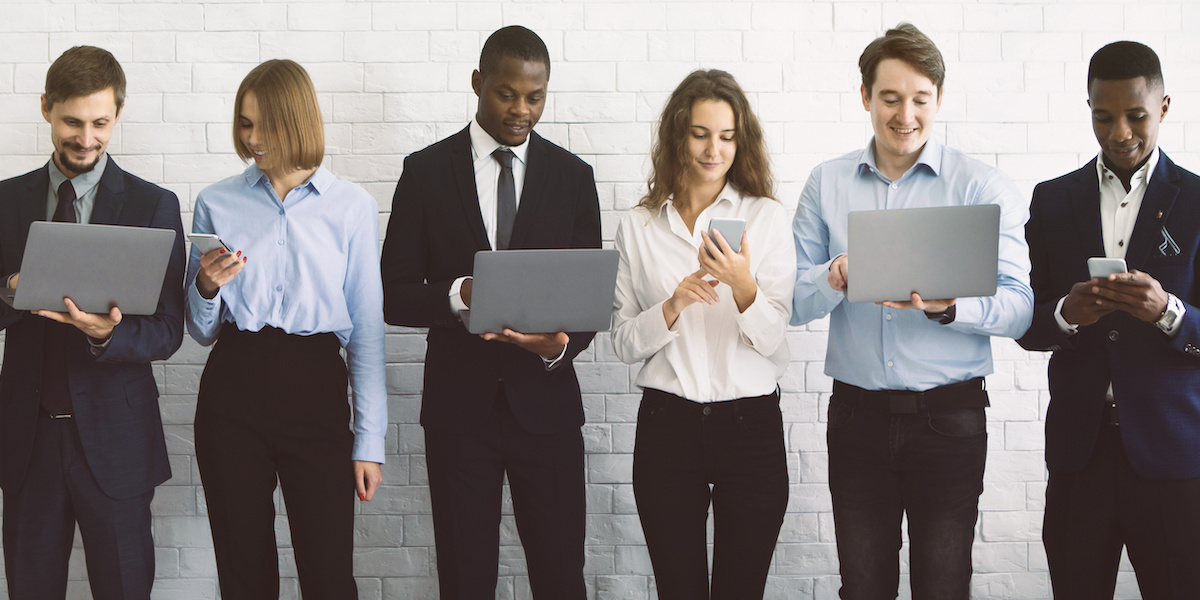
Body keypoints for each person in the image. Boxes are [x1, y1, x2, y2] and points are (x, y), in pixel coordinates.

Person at [790, 23, 1033, 599]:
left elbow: (1020, 309)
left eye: (920, 99)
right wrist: (833, 277)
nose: (905, 115)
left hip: (948, 421)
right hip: (856, 420)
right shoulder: (826, 183)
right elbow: (793, 302)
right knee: (863, 587)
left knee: (943, 587)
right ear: (866, 97)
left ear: (938, 99)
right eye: (890, 98)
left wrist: (952, 307)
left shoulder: (982, 187)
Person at [380, 25, 600, 600]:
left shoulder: (574, 178)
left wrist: (556, 347)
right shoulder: (425, 173)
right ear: (478, 84)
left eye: (535, 97)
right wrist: (458, 294)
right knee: (464, 578)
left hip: (547, 411)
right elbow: (392, 292)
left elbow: (589, 302)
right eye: (507, 94)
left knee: (559, 577)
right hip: (460, 414)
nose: (521, 110)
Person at [184, 59, 385, 599]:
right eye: (244, 124)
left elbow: (366, 331)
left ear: (296, 121)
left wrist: (369, 441)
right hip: (233, 386)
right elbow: (203, 331)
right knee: (243, 577)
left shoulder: (352, 208)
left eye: (263, 125)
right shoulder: (215, 201)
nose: (251, 139)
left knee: (328, 577)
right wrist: (204, 289)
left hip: (315, 386)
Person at [0, 46, 185, 599]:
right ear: (45, 109)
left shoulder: (154, 205)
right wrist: (9, 290)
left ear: (118, 115)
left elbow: (169, 329)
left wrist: (110, 335)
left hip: (117, 441)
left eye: (100, 123)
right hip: (26, 442)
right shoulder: (5, 203)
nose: (86, 138)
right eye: (72, 122)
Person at [1017, 41, 1200, 599]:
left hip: (1175, 459)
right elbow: (1030, 326)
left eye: (1137, 115)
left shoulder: (1196, 200)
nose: (1120, 131)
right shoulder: (1052, 201)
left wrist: (1168, 312)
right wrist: (1067, 314)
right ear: (1089, 108)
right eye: (1103, 116)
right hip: (1080, 455)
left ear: (1164, 107)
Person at [610, 69, 795, 600]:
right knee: (678, 589)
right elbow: (622, 343)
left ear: (741, 140)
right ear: (678, 135)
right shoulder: (638, 225)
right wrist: (673, 304)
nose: (714, 149)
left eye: (727, 135)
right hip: (669, 427)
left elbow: (774, 335)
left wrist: (743, 286)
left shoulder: (765, 218)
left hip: (750, 428)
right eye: (700, 133)